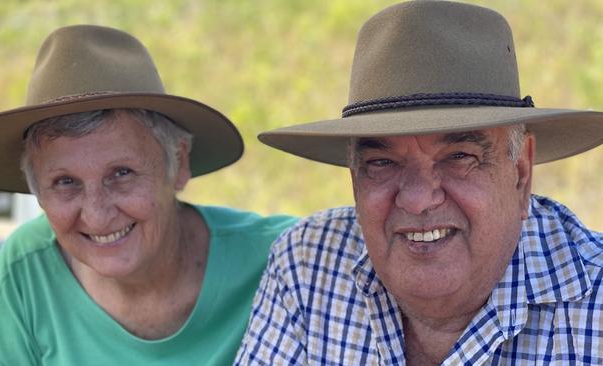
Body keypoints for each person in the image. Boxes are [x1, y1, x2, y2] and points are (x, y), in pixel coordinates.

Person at [236, 1, 602, 365]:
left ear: (521, 174)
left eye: (459, 157)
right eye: (381, 162)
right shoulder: (308, 264)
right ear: (353, 178)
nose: (417, 199)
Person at [0, 25, 296, 366]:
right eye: (65, 182)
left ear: (178, 162)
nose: (97, 216)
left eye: (122, 174)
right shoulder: (30, 266)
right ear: (36, 191)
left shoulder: (287, 261)